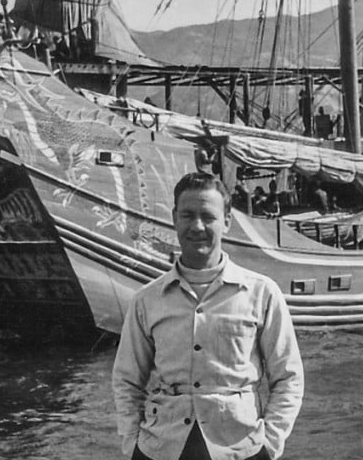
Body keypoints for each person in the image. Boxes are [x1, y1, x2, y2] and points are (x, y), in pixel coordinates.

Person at [112, 172, 304, 460]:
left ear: (227, 221)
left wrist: (270, 444)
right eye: (188, 215)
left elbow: (288, 377)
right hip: (160, 449)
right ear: (175, 218)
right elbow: (127, 380)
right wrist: (132, 444)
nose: (197, 226)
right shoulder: (146, 300)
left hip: (241, 449)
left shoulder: (261, 293)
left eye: (208, 216)